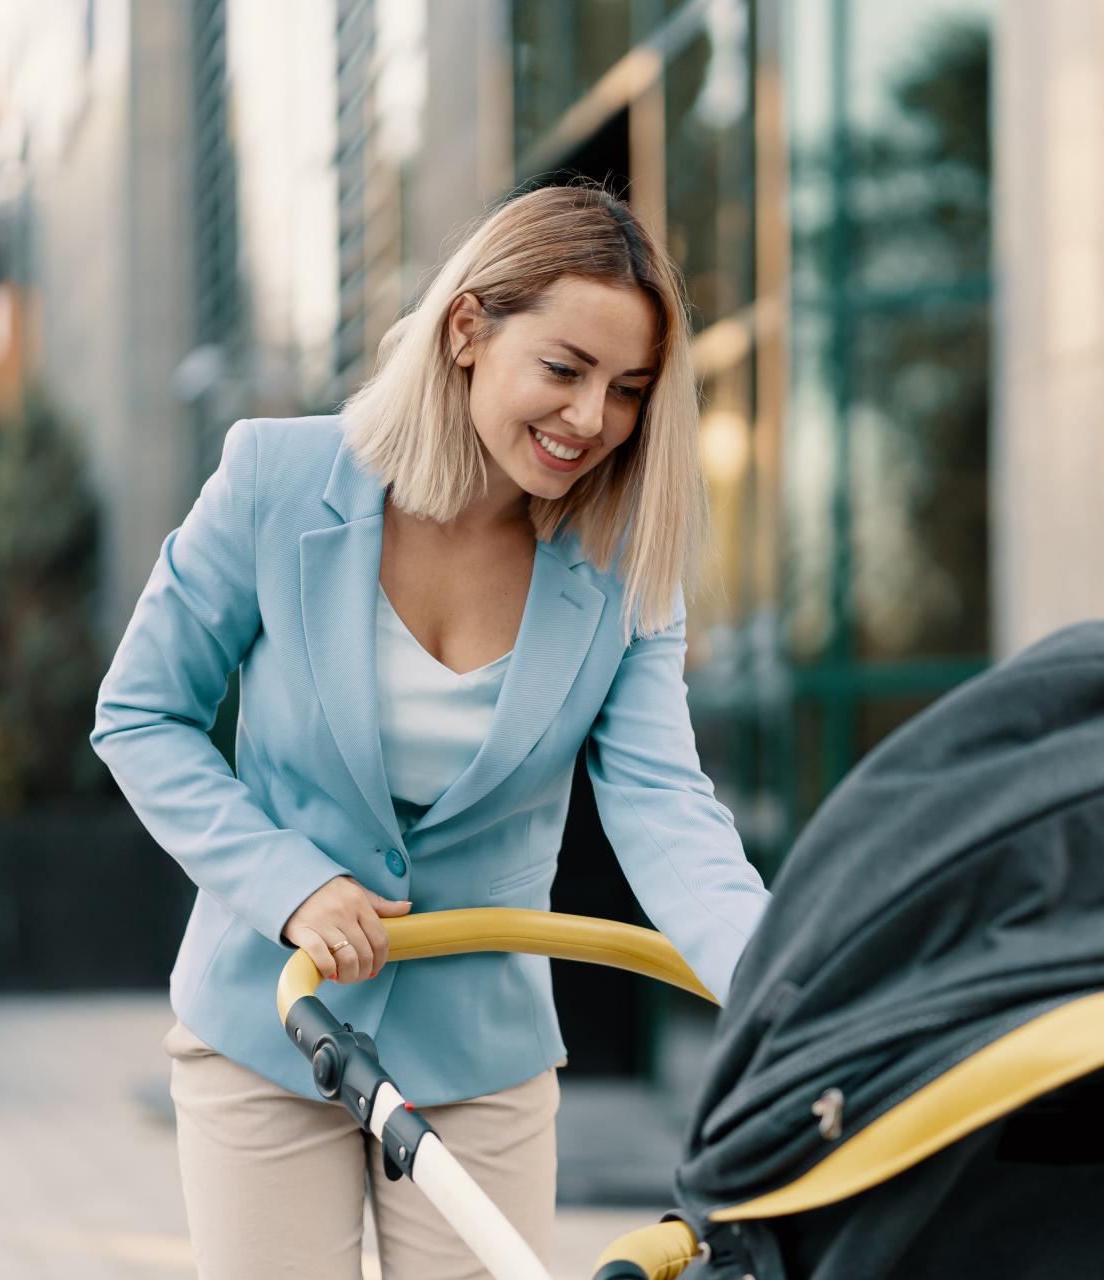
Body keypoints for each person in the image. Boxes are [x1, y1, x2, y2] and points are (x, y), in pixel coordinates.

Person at [91, 183, 771, 1279]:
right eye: (564, 368)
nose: (592, 418)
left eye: (629, 389)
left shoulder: (625, 557)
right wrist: (289, 883)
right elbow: (140, 713)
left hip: (483, 1061)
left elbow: (663, 802)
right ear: (468, 330)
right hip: (270, 1033)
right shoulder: (277, 478)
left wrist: (781, 977)